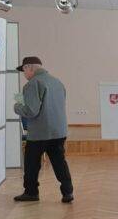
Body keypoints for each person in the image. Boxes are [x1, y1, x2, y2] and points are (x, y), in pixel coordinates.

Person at [13, 56, 73, 203]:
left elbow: (31, 111)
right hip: (59, 131)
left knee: (31, 163)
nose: (24, 74)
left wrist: (17, 106)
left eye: (24, 70)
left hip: (40, 132)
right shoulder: (57, 82)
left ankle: (31, 192)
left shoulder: (32, 84)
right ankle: (67, 192)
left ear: (29, 68)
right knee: (59, 162)